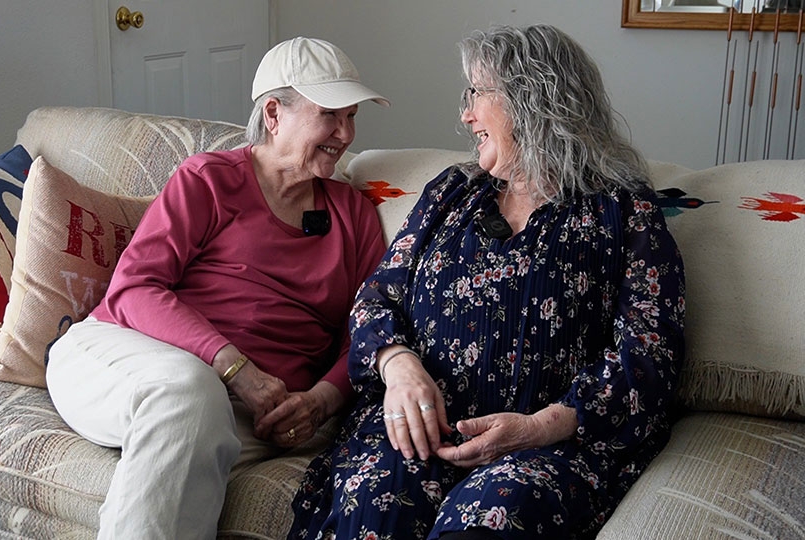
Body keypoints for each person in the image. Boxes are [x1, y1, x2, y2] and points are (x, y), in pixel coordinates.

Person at [288, 24, 685, 540]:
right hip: (418, 429)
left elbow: (653, 351)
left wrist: (544, 425)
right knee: (374, 510)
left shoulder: (622, 212)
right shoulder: (454, 192)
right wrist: (399, 366)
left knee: (487, 520)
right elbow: (378, 295)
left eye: (477, 94)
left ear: (532, 99)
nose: (465, 113)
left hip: (542, 448)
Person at [45, 36, 389, 539]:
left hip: (250, 413)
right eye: (330, 115)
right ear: (274, 114)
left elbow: (368, 329)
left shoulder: (352, 214)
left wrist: (318, 401)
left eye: (352, 116)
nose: (345, 133)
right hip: (127, 355)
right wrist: (236, 369)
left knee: (196, 415)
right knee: (190, 393)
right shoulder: (209, 179)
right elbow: (134, 288)